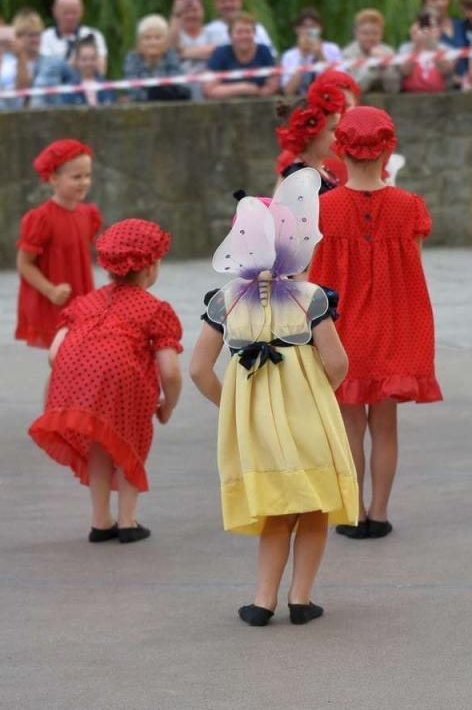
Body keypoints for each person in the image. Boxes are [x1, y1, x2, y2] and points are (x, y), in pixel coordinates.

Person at [187, 169, 359, 627]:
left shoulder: (222, 302)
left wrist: (233, 405)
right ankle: (301, 599)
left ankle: (262, 601)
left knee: (278, 510)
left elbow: (199, 369)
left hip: (256, 424)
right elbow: (337, 361)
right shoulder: (311, 298)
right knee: (314, 503)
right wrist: (317, 391)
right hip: (308, 415)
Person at [307, 108, 440, 540]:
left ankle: (353, 510)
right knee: (386, 426)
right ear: (387, 150)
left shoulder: (322, 209)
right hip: (395, 324)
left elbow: (310, 271)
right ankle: (380, 513)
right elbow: (412, 261)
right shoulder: (409, 207)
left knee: (349, 425)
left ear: (340, 149)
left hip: (341, 327)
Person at [29, 220, 182, 543]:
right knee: (130, 444)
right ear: (151, 267)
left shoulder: (85, 302)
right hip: (125, 384)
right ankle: (128, 521)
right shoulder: (155, 310)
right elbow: (169, 370)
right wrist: (168, 403)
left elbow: (55, 352)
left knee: (101, 446)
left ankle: (100, 521)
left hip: (79, 381)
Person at [16, 140, 101, 350]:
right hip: (56, 302)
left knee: (74, 360)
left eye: (87, 175)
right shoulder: (42, 218)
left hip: (82, 298)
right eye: (76, 177)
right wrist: (51, 290)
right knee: (64, 359)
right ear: (53, 178)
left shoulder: (88, 214)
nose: (84, 182)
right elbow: (24, 263)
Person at [11, 9, 75, 109]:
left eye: (38, 34)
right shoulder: (7, 65)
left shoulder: (55, 62)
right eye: (31, 35)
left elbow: (74, 82)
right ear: (18, 36)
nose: (36, 39)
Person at [205, 14, 278, 99]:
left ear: (254, 34)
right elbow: (209, 89)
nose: (244, 36)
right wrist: (243, 88)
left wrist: (258, 94)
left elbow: (273, 85)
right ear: (230, 35)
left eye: (248, 32)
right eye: (239, 32)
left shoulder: (264, 51)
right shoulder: (220, 53)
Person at [122, 14, 189, 102]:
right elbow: (133, 90)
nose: (152, 42)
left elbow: (178, 84)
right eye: (147, 38)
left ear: (166, 41)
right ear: (139, 42)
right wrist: (152, 96)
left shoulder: (171, 55)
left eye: (158, 38)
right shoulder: (132, 58)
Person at [280, 8, 342, 97]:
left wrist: (320, 56)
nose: (308, 31)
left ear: (320, 28)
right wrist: (303, 58)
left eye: (313, 27)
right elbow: (288, 91)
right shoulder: (289, 55)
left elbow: (340, 83)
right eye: (305, 27)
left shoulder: (332, 49)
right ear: (297, 30)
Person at [40, 0, 109, 64]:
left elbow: (100, 69)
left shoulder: (93, 35)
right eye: (65, 13)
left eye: (74, 12)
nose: (70, 17)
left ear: (82, 12)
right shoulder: (44, 37)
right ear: (54, 12)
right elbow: (47, 69)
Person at [343, 9, 401, 95]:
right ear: (356, 33)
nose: (370, 38)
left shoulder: (389, 52)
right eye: (365, 33)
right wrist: (373, 65)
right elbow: (356, 88)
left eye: (375, 33)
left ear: (381, 34)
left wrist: (385, 67)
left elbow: (394, 88)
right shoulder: (348, 54)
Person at [201, 0, 274, 50]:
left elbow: (271, 55)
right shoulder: (207, 31)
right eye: (223, 1)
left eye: (232, 0)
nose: (228, 5)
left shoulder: (257, 28)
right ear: (216, 4)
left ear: (240, 2)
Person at [396, 11, 455, 93]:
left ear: (439, 30)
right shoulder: (406, 48)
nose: (426, 29)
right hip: (410, 94)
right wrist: (416, 47)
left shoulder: (446, 49)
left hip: (440, 95)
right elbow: (404, 71)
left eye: (431, 26)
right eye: (422, 26)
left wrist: (433, 45)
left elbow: (446, 70)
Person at [172, 0, 213, 80]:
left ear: (202, 11)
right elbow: (170, 50)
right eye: (186, 11)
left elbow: (215, 52)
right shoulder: (175, 35)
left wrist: (182, 52)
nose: (190, 15)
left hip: (208, 85)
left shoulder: (212, 32)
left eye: (195, 10)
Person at [69, 38, 116, 107]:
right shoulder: (69, 88)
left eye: (93, 58)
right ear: (76, 61)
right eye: (84, 59)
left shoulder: (108, 86)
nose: (89, 63)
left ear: (97, 60)